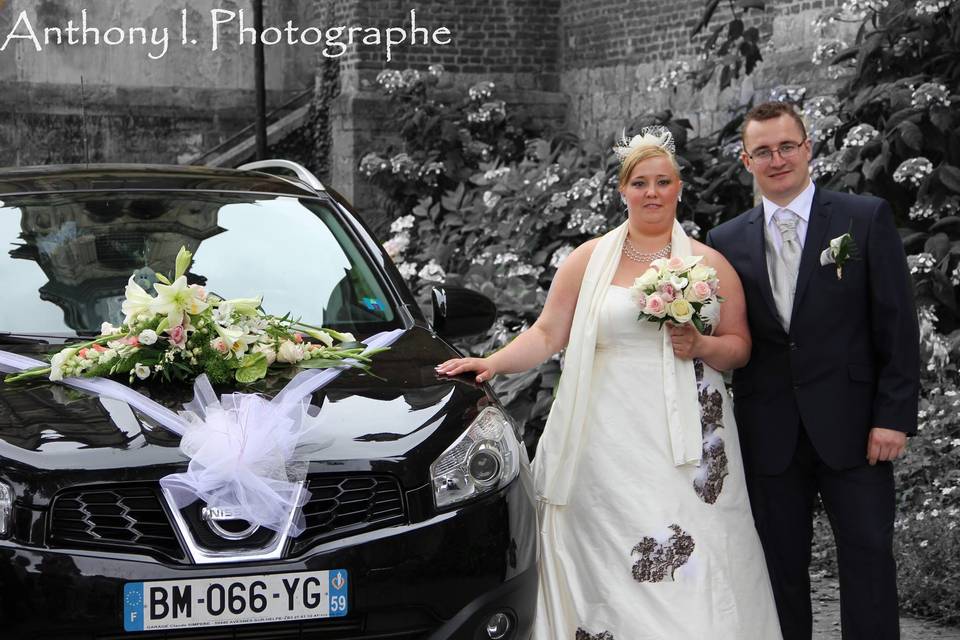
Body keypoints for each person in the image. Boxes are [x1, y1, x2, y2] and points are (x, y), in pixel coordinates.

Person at [437, 128, 782, 639]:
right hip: (604, 430)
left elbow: (740, 345)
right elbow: (548, 332)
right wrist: (493, 363)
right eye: (639, 182)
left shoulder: (708, 264)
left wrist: (701, 346)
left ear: (678, 188)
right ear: (622, 191)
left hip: (686, 434)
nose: (652, 192)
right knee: (604, 537)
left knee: (688, 541)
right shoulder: (587, 259)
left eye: (663, 181)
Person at [706, 101, 920, 640]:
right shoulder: (724, 242)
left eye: (786, 147)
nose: (776, 159)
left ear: (807, 149)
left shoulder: (862, 217)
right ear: (746, 160)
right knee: (779, 570)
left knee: (868, 557)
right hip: (769, 430)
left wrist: (893, 417)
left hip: (855, 427)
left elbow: (895, 325)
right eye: (762, 151)